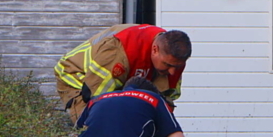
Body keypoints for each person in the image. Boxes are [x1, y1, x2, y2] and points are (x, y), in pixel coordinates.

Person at [54, 23, 191, 124]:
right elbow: (96, 99)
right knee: (95, 128)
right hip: (78, 77)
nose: (172, 72)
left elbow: (163, 103)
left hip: (114, 82)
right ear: (154, 50)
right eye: (168, 65)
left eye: (177, 67)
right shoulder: (120, 50)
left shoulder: (171, 57)